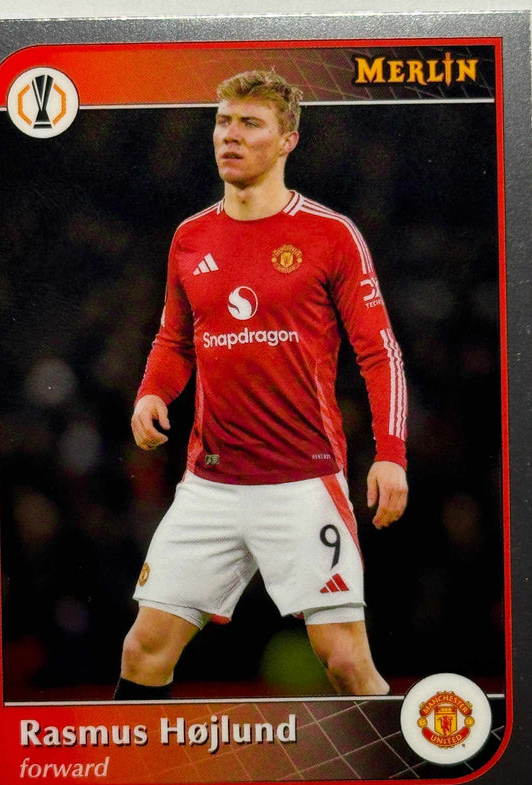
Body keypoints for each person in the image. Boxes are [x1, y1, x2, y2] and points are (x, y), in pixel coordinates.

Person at [114, 70, 408, 700]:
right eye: (223, 122)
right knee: (143, 650)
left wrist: (390, 454)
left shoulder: (331, 234)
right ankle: (132, 768)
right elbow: (173, 341)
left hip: (303, 482)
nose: (231, 135)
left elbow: (379, 352)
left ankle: (404, 764)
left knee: (345, 662)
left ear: (287, 141)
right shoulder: (190, 237)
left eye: (251, 124)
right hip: (210, 485)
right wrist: (151, 392)